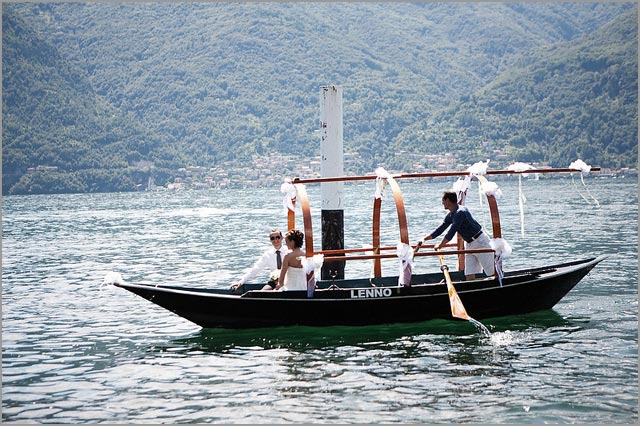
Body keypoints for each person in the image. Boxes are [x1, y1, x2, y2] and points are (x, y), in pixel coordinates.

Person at [418, 190, 494, 280]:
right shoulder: (451, 215)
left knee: (492, 272)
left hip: (480, 242)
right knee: (469, 274)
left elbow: (451, 233)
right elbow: (439, 230)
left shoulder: (460, 212)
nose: (442, 203)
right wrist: (424, 239)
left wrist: (440, 245)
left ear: (448, 200)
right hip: (469, 244)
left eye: (443, 200)